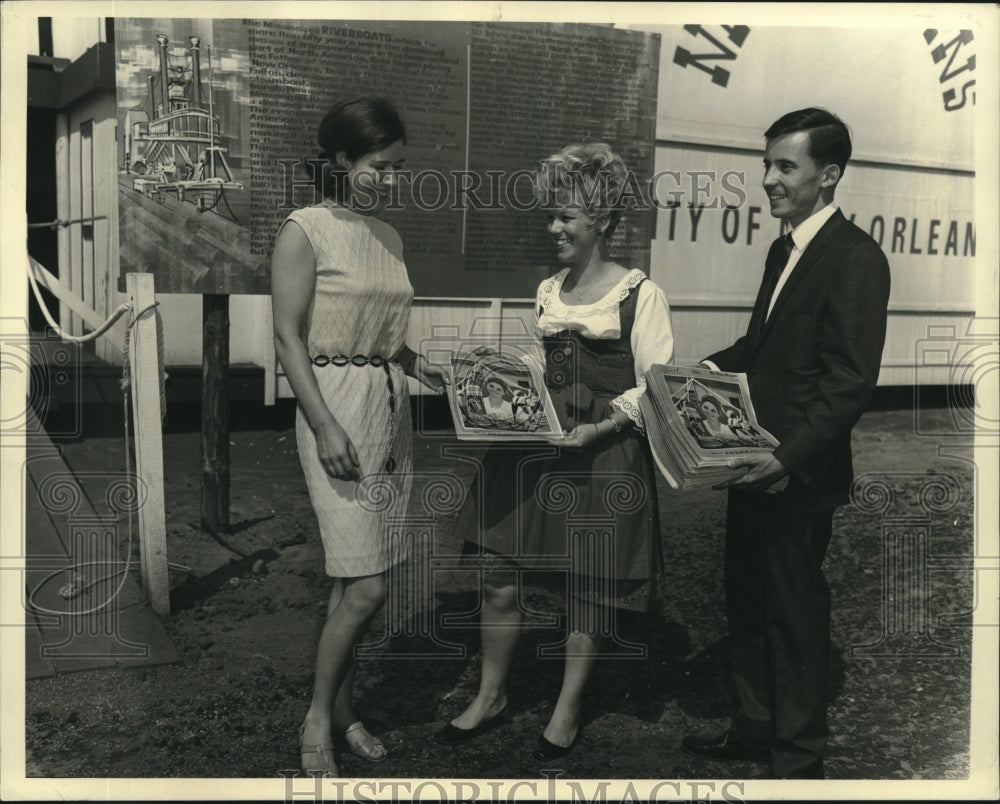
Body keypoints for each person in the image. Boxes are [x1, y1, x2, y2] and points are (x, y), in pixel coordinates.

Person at [435, 143, 675, 760]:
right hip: (533, 448)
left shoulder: (639, 294)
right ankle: (491, 694)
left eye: (566, 216)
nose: (554, 229)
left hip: (603, 452)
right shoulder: (548, 290)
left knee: (587, 588)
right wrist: (496, 389)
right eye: (551, 216)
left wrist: (598, 428)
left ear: (603, 220)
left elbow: (655, 387)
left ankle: (567, 707)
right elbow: (536, 367)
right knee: (498, 577)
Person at [681, 108, 891, 779]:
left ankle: (799, 757)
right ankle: (754, 727)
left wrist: (786, 459)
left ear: (828, 176)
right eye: (766, 163)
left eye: (784, 166)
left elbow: (849, 384)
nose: (768, 178)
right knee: (744, 597)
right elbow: (760, 350)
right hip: (750, 460)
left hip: (796, 474)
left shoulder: (856, 259)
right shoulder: (784, 248)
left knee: (794, 612)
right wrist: (689, 376)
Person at [270, 96, 449, 776]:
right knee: (369, 587)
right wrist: (322, 425)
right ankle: (317, 718)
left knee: (353, 581)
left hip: (387, 407)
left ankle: (345, 712)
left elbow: (390, 344)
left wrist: (431, 369)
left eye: (401, 168)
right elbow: (288, 339)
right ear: (341, 160)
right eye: (382, 166)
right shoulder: (303, 230)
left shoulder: (388, 237)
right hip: (333, 406)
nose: (393, 179)